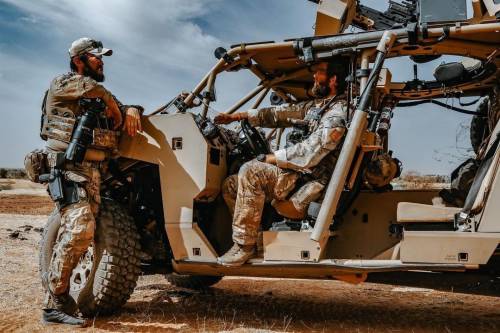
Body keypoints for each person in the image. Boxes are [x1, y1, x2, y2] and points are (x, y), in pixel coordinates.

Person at [34, 37, 143, 326]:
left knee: (87, 229)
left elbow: (121, 106)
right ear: (79, 60)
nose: (102, 61)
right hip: (69, 167)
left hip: (93, 171)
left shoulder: (94, 94)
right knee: (80, 229)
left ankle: (62, 300)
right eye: (96, 57)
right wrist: (114, 104)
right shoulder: (63, 83)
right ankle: (54, 303)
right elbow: (99, 91)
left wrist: (131, 109)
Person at [214, 61, 349, 266]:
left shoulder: (338, 113)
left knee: (252, 171)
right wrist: (237, 116)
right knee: (232, 185)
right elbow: (281, 113)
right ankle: (256, 242)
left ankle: (243, 247)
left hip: (309, 184)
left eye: (319, 73)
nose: (314, 76)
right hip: (297, 177)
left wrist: (271, 158)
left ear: (333, 80)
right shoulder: (320, 106)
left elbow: (310, 152)